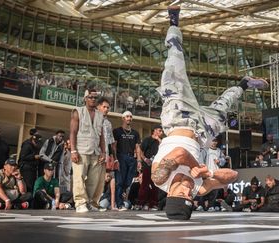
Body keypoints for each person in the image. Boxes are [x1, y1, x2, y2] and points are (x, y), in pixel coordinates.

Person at [151, 5, 268, 220]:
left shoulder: (160, 178)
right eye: (190, 197)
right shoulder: (198, 188)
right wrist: (209, 173)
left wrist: (196, 167)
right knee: (223, 108)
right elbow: (232, 176)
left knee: (173, 69)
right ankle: (244, 84)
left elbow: (179, 155)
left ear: (171, 195)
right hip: (201, 131)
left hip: (178, 118)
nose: (188, 191)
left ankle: (173, 25)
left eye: (182, 193)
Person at [70, 89, 106, 213]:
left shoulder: (100, 114)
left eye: (95, 98)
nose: (93, 99)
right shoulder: (78, 112)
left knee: (94, 180)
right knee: (79, 177)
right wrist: (73, 151)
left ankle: (90, 202)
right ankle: (80, 202)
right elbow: (73, 132)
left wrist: (103, 152)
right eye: (90, 97)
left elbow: (101, 135)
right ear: (85, 98)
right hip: (81, 150)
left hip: (95, 150)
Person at [113, 111, 142, 210]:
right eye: (127, 116)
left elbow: (137, 147)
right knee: (120, 181)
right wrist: (115, 158)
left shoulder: (135, 133)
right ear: (123, 118)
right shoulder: (117, 131)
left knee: (128, 182)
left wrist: (138, 161)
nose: (129, 118)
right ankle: (119, 204)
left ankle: (122, 198)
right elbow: (114, 146)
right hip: (121, 156)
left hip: (131, 159)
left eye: (130, 117)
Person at [97, 97, 117, 210]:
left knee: (109, 178)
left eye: (108, 107)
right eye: (104, 107)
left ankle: (112, 205)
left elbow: (111, 142)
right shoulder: (93, 118)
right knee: (93, 179)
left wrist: (113, 158)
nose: (106, 109)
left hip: (106, 155)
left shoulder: (108, 123)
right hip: (94, 153)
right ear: (99, 107)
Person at [138, 125, 163, 210]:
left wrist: (159, 140)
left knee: (155, 185)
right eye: (159, 130)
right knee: (145, 183)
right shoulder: (147, 140)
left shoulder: (161, 141)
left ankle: (153, 203)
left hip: (156, 166)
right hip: (147, 165)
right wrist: (144, 159)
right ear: (154, 131)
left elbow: (164, 148)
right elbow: (140, 150)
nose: (161, 132)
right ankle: (141, 203)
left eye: (161, 131)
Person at [19, 128, 42, 194]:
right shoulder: (27, 144)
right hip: (26, 168)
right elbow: (23, 157)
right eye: (35, 142)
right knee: (28, 186)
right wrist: (34, 156)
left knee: (32, 186)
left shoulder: (37, 146)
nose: (36, 143)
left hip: (33, 168)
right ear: (32, 140)